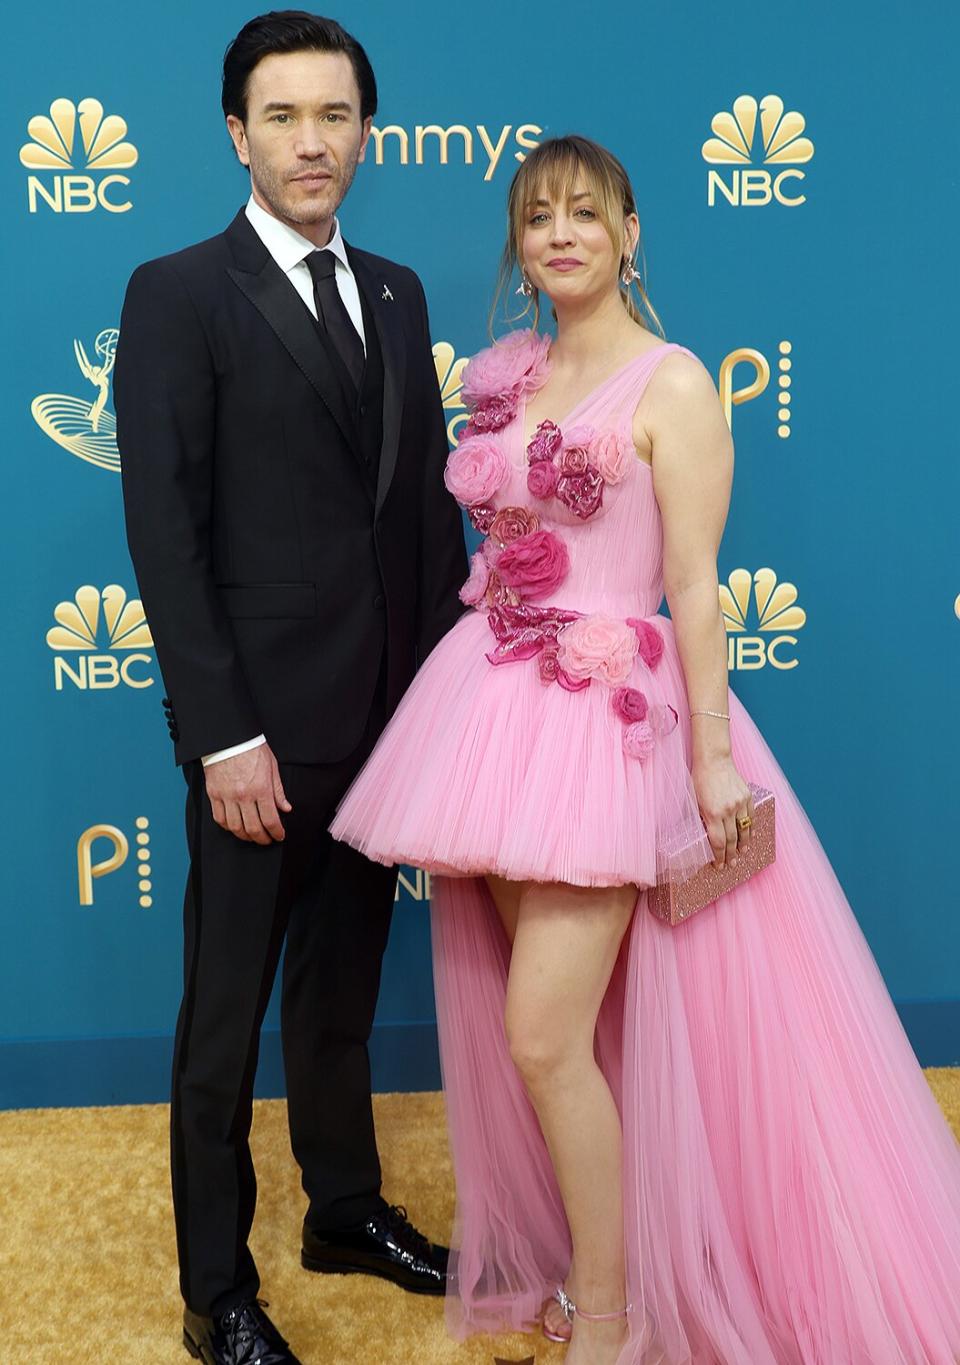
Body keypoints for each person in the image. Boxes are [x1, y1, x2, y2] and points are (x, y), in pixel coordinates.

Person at [330, 134, 960, 1364]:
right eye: (537, 218)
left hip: (610, 722)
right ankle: (602, 1267)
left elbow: (693, 585)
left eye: (585, 214)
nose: (560, 234)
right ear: (519, 246)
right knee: (578, 1038)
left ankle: (614, 1318)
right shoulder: (508, 375)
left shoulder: (674, 382)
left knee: (544, 1036)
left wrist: (714, 761)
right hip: (497, 709)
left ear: (629, 232)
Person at [113, 12, 464, 1364]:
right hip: (255, 741)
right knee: (222, 1027)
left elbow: (424, 528)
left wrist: (436, 718)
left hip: (379, 730)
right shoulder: (177, 291)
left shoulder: (396, 291)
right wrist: (224, 736)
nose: (313, 142)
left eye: (336, 116)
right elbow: (168, 533)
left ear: (365, 131)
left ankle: (345, 1210)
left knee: (339, 998)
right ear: (236, 134)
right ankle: (217, 1294)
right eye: (283, 117)